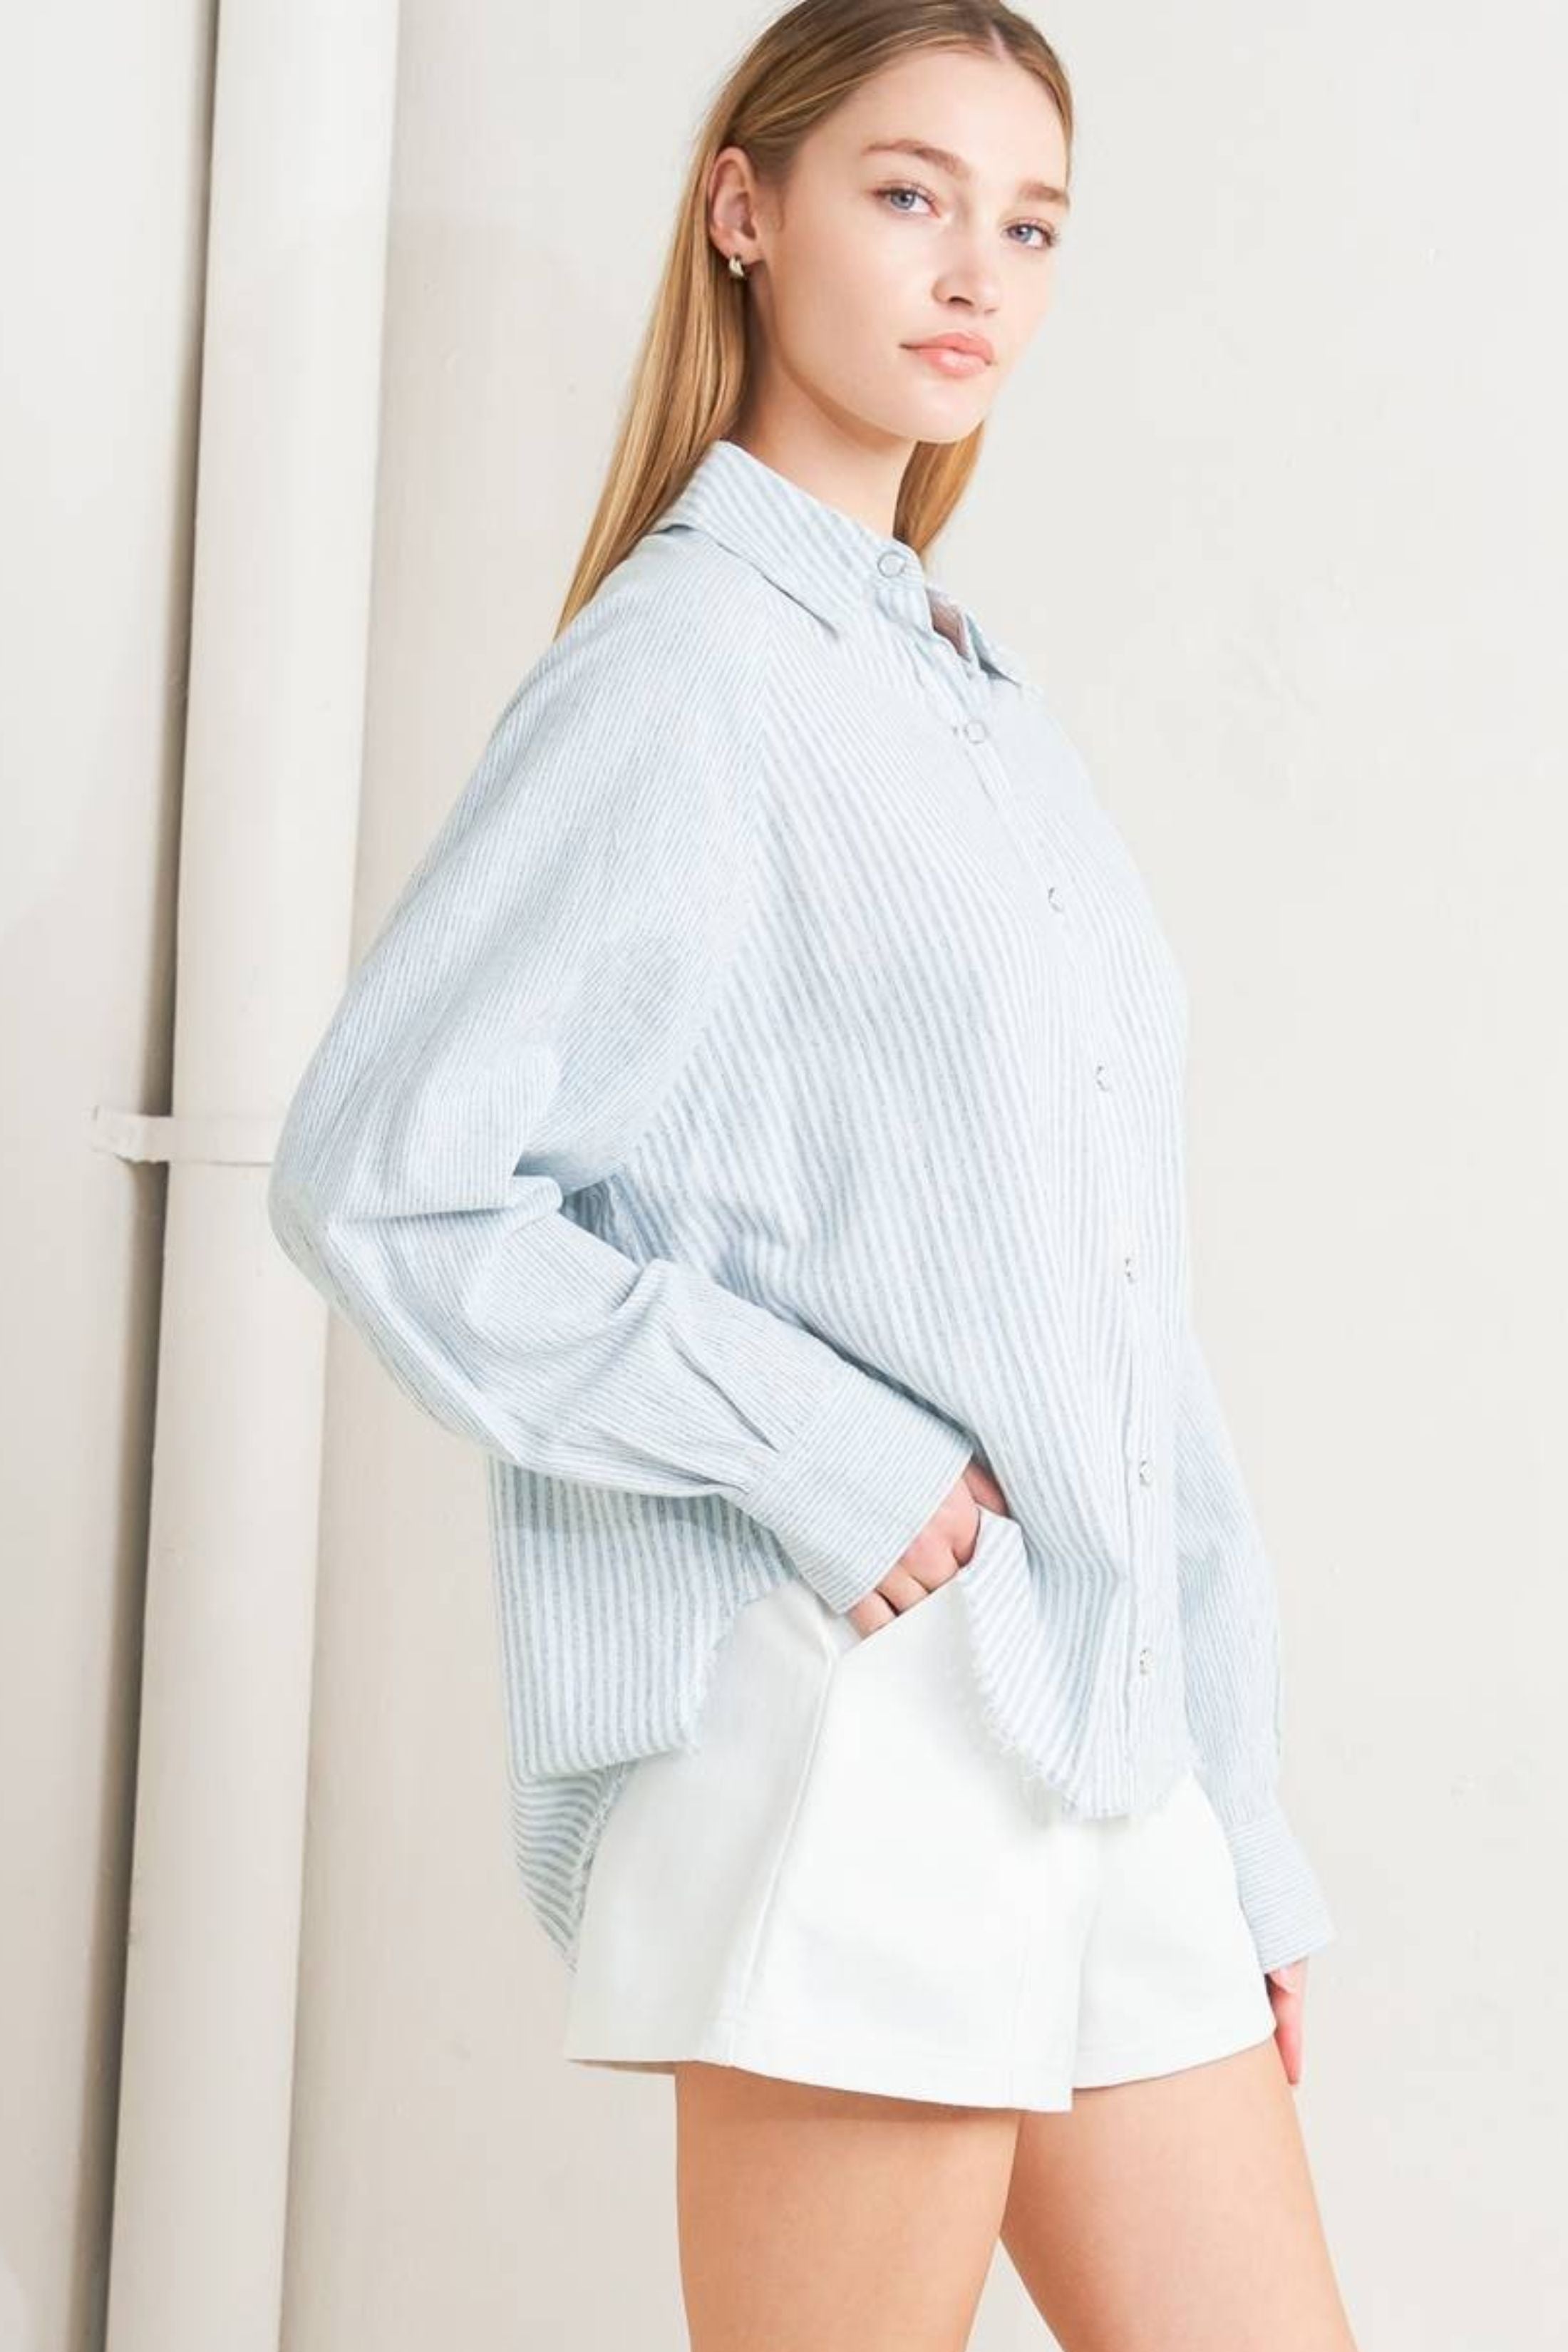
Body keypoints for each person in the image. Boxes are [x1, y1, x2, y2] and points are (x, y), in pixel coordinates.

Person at [267, 1, 1360, 2343]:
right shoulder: (683, 669)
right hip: (878, 1731)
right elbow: (381, 1170)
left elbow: (1110, 1299)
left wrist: (1238, 1815)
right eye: (909, 194)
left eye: (1031, 225)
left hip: (1107, 1737)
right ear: (744, 211)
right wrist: (828, 1458)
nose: (977, 273)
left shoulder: (971, 697)